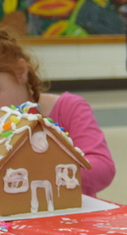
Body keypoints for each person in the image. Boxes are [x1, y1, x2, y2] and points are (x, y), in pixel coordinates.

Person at [0, 29, 114, 196]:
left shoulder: (68, 108)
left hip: (71, 217)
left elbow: (103, 167)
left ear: (20, 72)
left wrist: (41, 172)